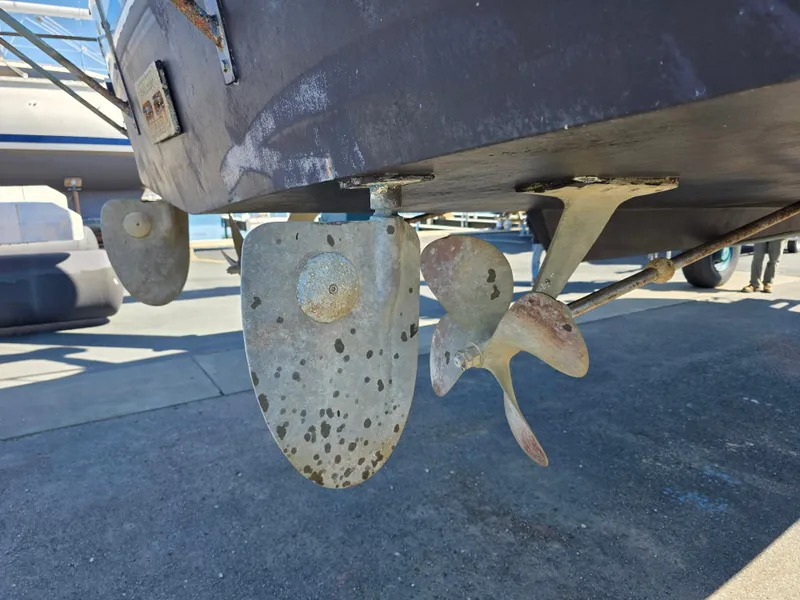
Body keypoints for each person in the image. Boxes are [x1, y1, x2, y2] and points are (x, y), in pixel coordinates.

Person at [525, 211, 545, 285]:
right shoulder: (532, 213)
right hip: (539, 239)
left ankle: (535, 278)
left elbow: (529, 225)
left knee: (536, 260)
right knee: (536, 260)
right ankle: (535, 278)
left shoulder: (531, 214)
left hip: (538, 239)